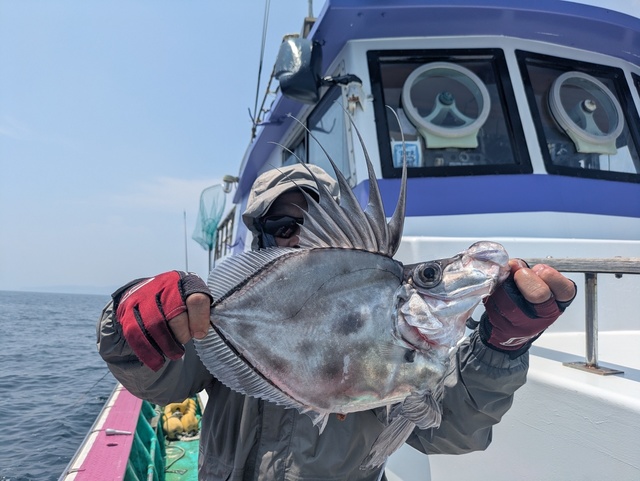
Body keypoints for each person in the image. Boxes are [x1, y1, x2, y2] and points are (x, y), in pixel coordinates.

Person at [97, 163, 576, 481]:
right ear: (262, 240)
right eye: (284, 228)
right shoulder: (236, 311)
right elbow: (161, 383)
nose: (300, 238)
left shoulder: (399, 327)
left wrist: (500, 345)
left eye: (315, 222)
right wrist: (129, 322)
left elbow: (450, 429)